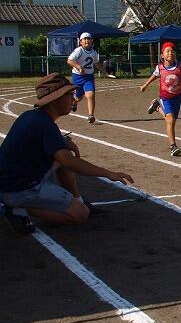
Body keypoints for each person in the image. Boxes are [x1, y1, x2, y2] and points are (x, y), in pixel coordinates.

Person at [0, 74, 134, 233]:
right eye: (69, 95)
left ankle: (77, 199)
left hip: (11, 181)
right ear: (55, 100)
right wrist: (108, 173)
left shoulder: (31, 116)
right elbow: (69, 162)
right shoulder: (45, 125)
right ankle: (17, 209)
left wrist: (64, 141)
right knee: (80, 214)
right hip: (20, 189)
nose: (74, 99)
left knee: (62, 156)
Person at [139, 42, 181, 157]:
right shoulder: (160, 67)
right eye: (167, 51)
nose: (170, 53)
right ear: (162, 55)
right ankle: (173, 146)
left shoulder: (180, 67)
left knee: (171, 120)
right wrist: (145, 84)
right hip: (165, 97)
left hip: (177, 97)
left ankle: (157, 107)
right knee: (170, 120)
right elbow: (154, 75)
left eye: (172, 51)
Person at [66, 32, 108, 123]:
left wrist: (104, 71)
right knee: (78, 97)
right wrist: (79, 67)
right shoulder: (79, 51)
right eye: (84, 39)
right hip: (78, 77)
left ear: (92, 41)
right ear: (80, 42)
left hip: (89, 77)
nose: (87, 41)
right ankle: (74, 102)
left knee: (90, 95)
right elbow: (69, 61)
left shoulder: (93, 52)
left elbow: (96, 63)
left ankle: (91, 115)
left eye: (88, 39)